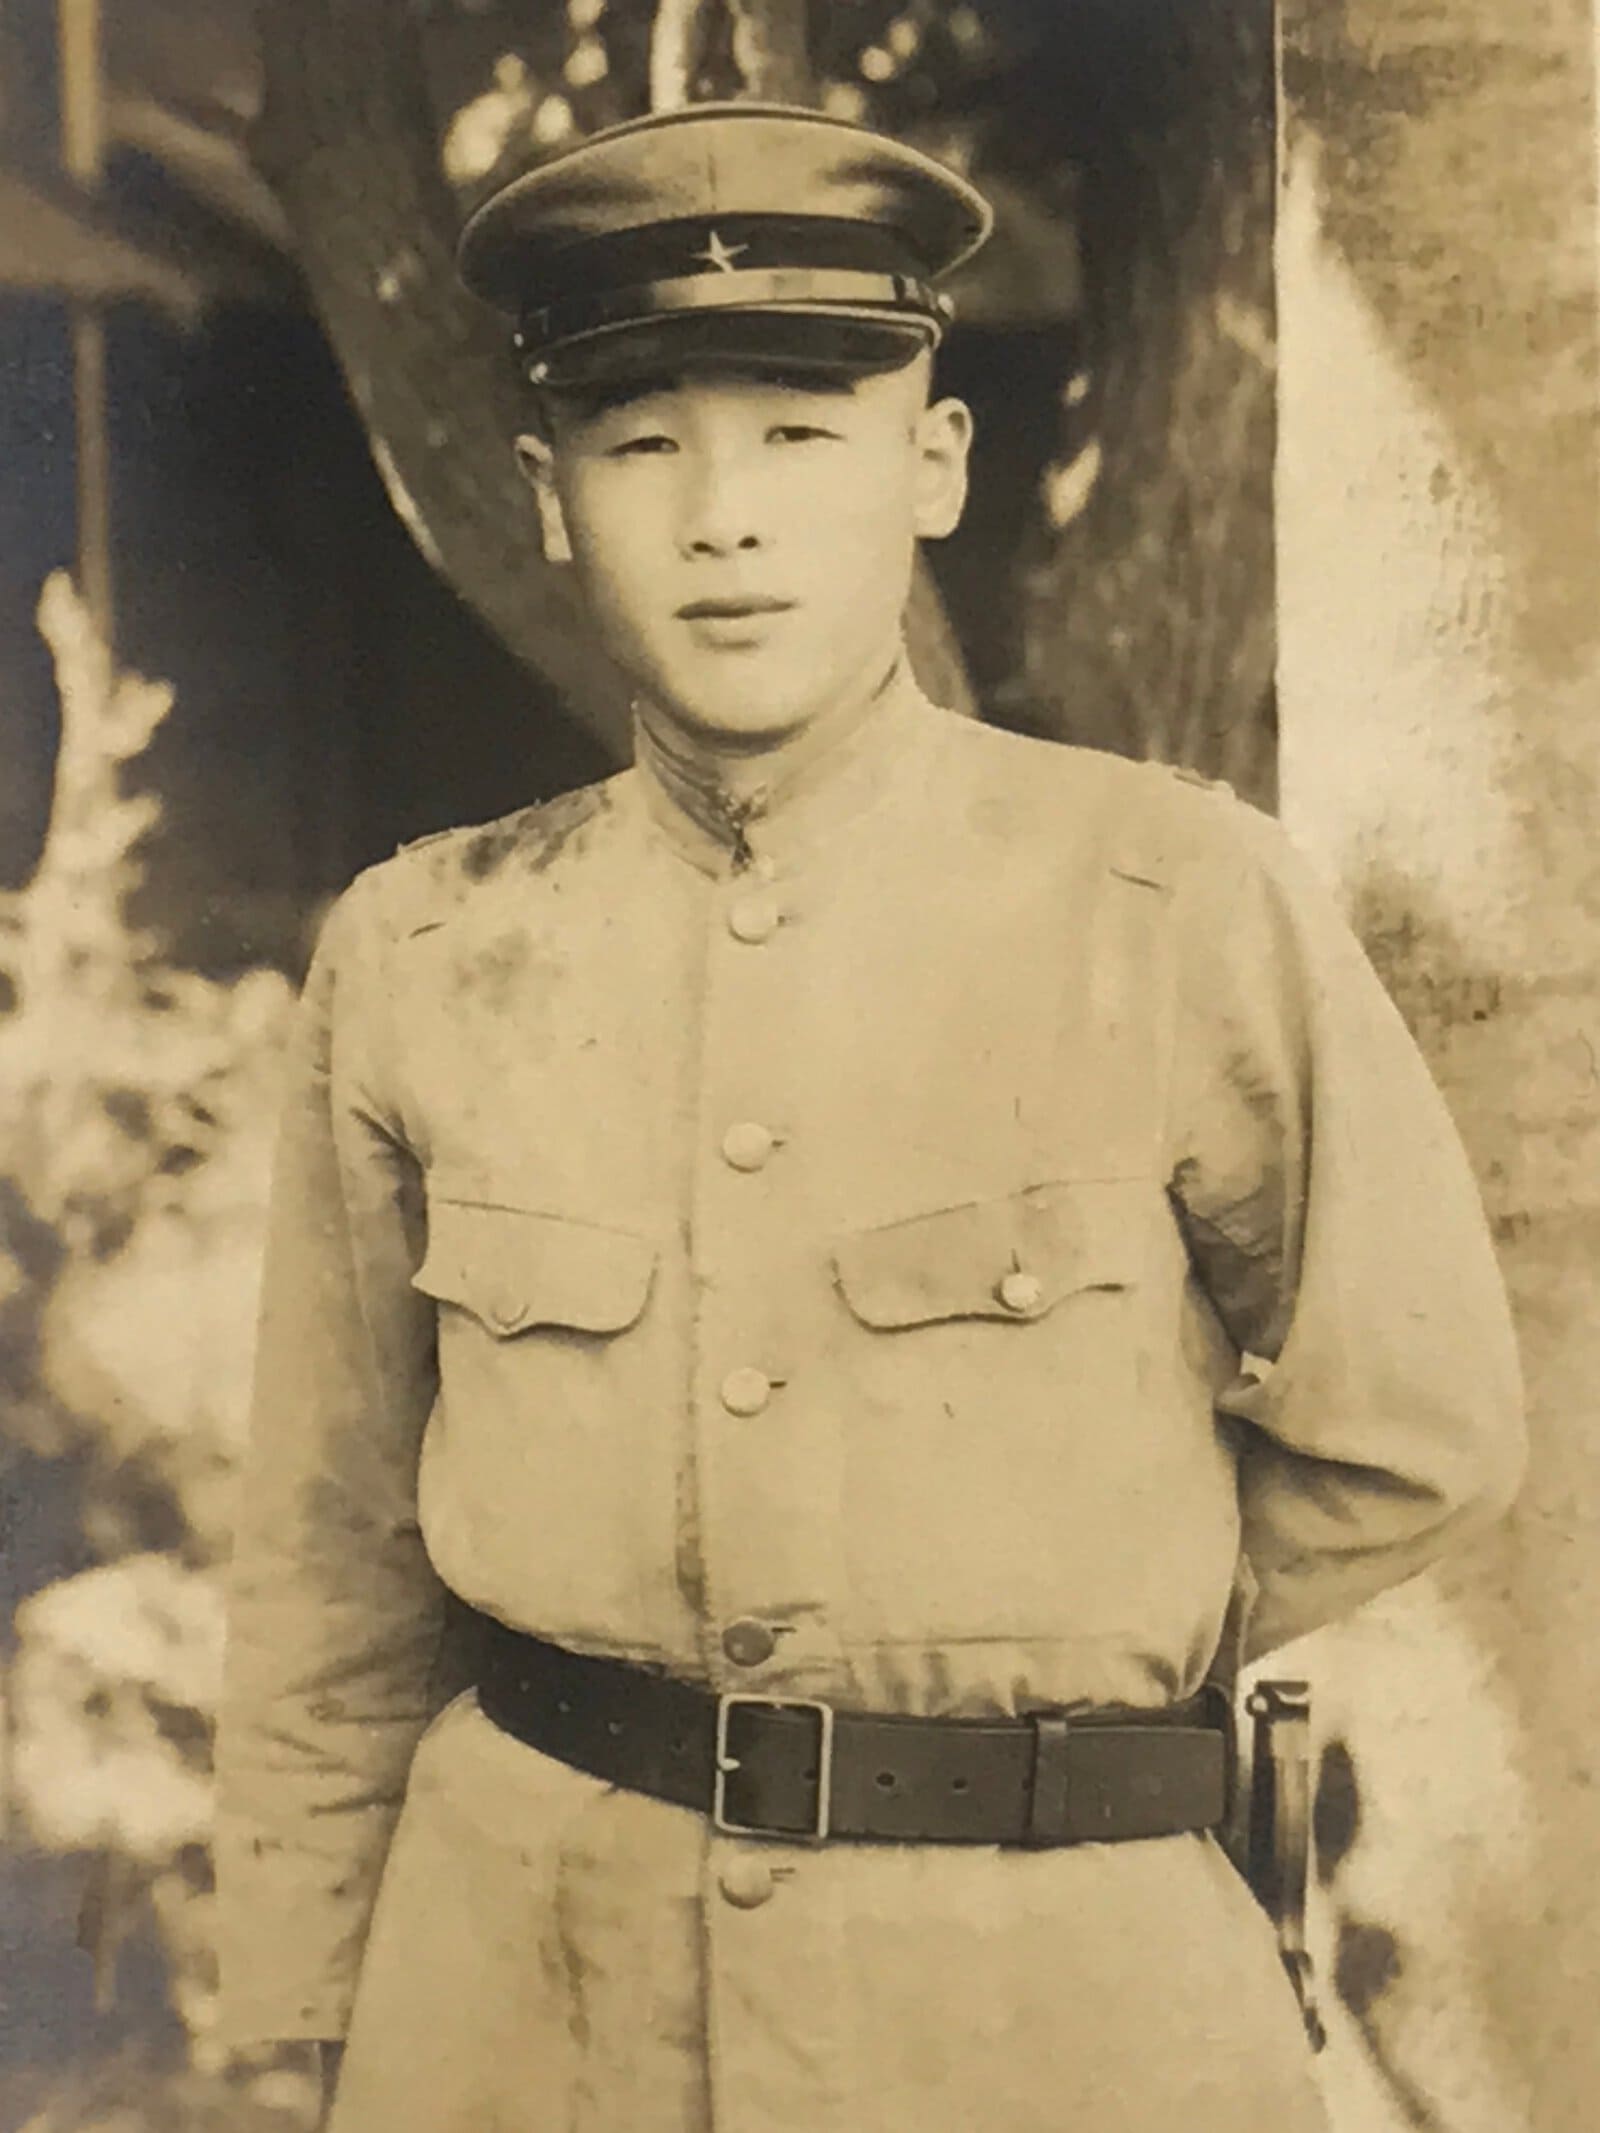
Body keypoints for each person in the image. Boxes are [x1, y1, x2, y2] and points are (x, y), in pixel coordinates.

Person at [215, 100, 1525, 2133]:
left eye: (801, 437)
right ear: (551, 496)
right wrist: (292, 2027)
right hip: (524, 1999)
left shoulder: (1174, 900)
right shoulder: (424, 948)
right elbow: (331, 1563)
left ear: (930, 466)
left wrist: (1037, 1629)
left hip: (1046, 1997)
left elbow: (1412, 1422)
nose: (722, 518)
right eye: (643, 445)